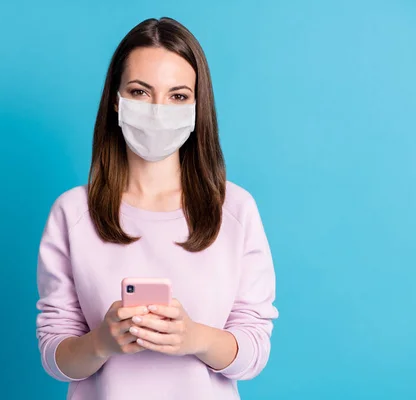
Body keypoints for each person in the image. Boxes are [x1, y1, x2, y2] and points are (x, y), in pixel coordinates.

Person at [35, 16, 278, 400]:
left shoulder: (235, 210)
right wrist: (102, 342)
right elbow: (55, 356)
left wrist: (194, 337)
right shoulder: (72, 213)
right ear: (116, 102)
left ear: (198, 109)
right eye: (140, 92)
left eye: (178, 96)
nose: (158, 110)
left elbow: (254, 352)